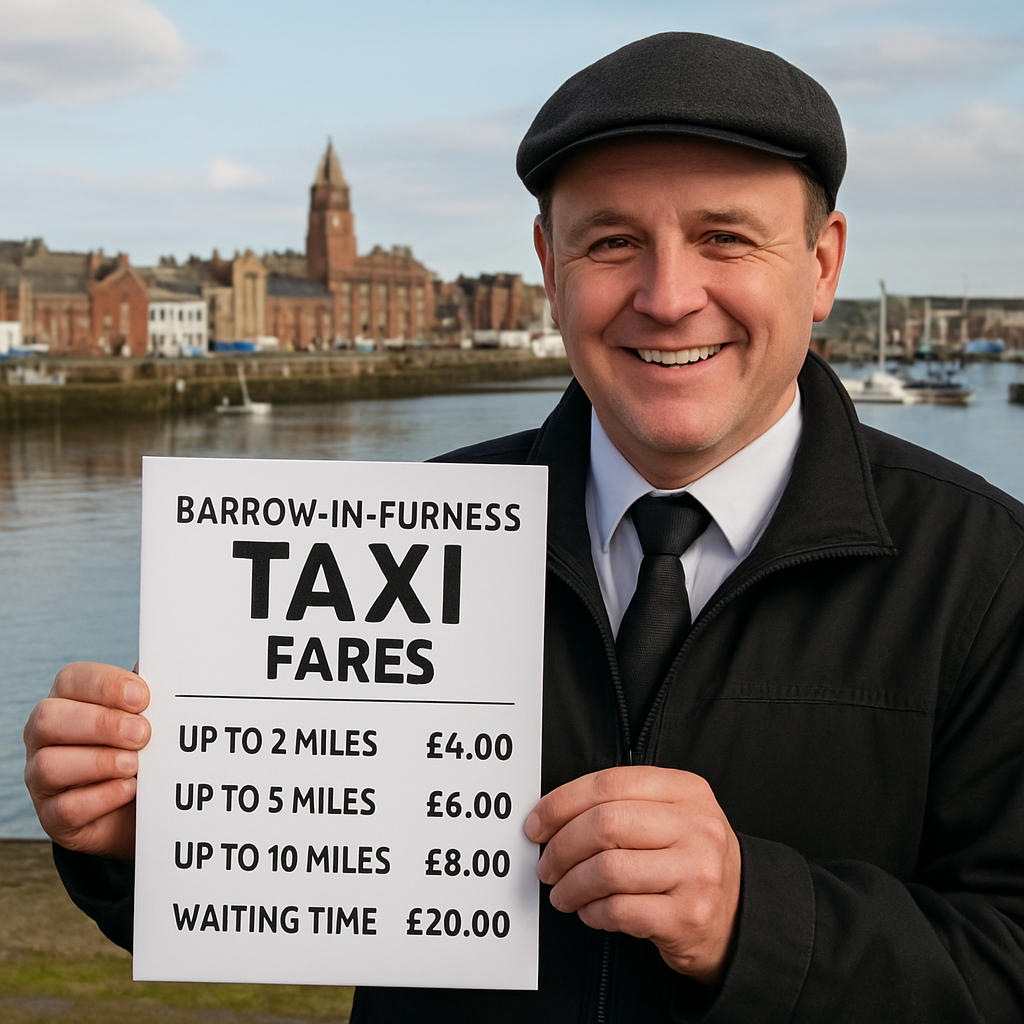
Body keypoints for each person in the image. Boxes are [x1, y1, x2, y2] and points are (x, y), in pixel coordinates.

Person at [24, 32, 1024, 1023]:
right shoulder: (402, 533)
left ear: (821, 264)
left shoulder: (987, 576)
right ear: (549, 266)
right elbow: (293, 881)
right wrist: (145, 838)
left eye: (726, 237)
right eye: (611, 241)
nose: (667, 296)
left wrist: (752, 917)